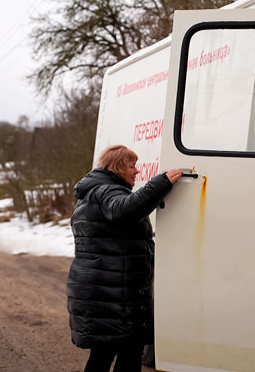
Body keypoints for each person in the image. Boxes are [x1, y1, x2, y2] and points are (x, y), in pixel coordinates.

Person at [66, 145, 183, 372]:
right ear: (119, 167)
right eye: (132, 166)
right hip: (112, 292)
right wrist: (160, 184)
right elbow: (124, 209)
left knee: (104, 352)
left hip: (105, 290)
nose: (137, 172)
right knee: (128, 349)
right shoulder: (105, 191)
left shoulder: (93, 193)